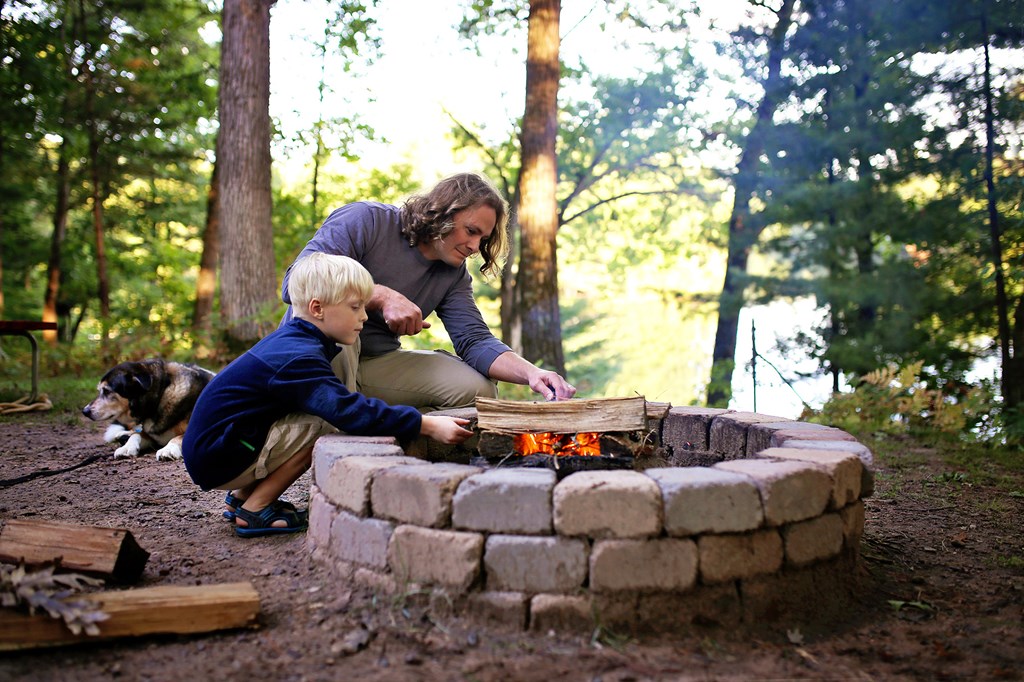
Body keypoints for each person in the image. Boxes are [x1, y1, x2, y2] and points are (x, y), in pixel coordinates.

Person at [182, 252, 474, 538]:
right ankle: (255, 509)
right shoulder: (299, 357)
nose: (363, 317)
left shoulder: (295, 342)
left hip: (221, 448)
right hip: (219, 457)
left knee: (317, 414)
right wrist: (428, 424)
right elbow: (350, 413)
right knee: (329, 425)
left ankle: (243, 496)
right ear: (317, 308)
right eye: (355, 307)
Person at [280, 172, 576, 409]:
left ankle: (397, 424)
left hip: (374, 365)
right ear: (443, 212)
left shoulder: (453, 274)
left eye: (483, 239)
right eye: (471, 231)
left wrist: (532, 374)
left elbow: (474, 341)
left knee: (478, 389)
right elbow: (297, 282)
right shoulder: (365, 220)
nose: (475, 247)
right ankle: (332, 415)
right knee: (336, 323)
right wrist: (381, 296)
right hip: (317, 357)